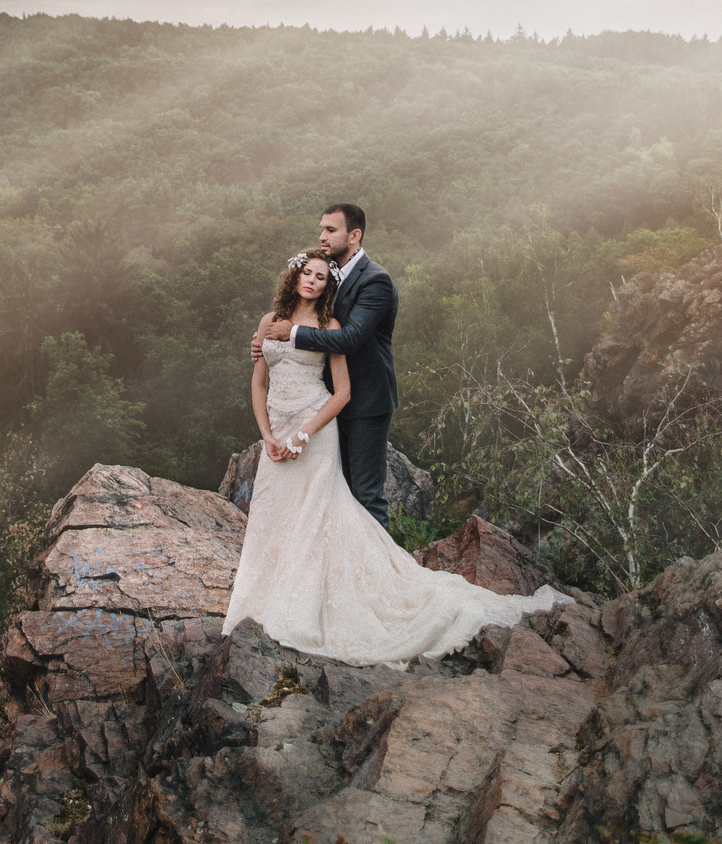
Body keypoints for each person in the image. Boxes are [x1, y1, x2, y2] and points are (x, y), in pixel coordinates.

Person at [226, 249, 569, 665]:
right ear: (294, 275)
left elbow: (342, 392)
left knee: (315, 517)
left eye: (321, 276)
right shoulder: (269, 322)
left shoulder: (329, 324)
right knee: (273, 516)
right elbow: (258, 382)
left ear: (327, 285)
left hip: (312, 431)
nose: (312, 281)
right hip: (275, 430)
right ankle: (262, 602)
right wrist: (266, 437)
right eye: (306, 273)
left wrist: (303, 434)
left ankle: (309, 609)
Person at [254, 203, 396, 526]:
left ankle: (375, 574)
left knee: (366, 495)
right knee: (336, 495)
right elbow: (306, 315)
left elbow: (350, 338)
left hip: (366, 403)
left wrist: (291, 335)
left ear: (354, 236)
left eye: (330, 231)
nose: (322, 236)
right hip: (323, 403)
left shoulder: (376, 281)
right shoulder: (330, 277)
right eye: (321, 229)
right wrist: (265, 341)